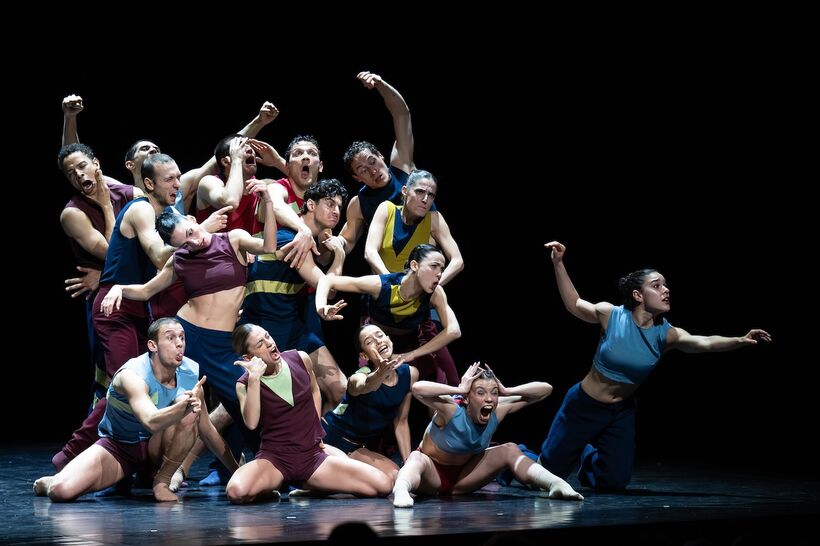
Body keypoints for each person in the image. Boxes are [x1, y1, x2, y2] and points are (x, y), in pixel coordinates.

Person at [537, 241, 772, 490]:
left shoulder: (666, 334)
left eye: (666, 285)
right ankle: (515, 454)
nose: (666, 290)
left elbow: (704, 342)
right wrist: (558, 263)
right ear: (637, 295)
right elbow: (574, 303)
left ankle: (588, 459)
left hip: (620, 413)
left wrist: (740, 340)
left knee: (614, 482)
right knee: (546, 473)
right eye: (657, 285)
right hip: (584, 405)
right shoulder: (611, 315)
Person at [33, 318, 238, 502]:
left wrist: (236, 471)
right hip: (120, 447)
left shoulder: (189, 371)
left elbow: (207, 431)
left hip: (156, 449)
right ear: (152, 345)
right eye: (170, 338)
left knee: (192, 409)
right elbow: (150, 421)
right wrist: (182, 407)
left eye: (182, 338)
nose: (179, 343)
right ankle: (52, 481)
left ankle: (162, 482)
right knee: (60, 491)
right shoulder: (133, 375)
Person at [225, 324, 393, 503]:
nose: (269, 343)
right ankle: (269, 490)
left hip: (311, 456)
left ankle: (312, 486)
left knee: (382, 485)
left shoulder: (300, 358)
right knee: (236, 492)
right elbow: (251, 422)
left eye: (267, 336)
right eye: (260, 344)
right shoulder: (244, 384)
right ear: (248, 357)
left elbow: (314, 390)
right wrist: (254, 378)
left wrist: (315, 430)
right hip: (275, 459)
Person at [391, 363, 583, 507]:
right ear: (467, 398)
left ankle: (555, 484)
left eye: (494, 393)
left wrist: (507, 390)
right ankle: (401, 489)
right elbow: (418, 389)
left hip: (464, 478)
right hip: (431, 477)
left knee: (510, 449)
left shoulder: (497, 410)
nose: (489, 399)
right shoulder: (450, 409)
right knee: (416, 457)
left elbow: (545, 389)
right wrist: (459, 389)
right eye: (481, 393)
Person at [240, 178, 348, 412]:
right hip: (267, 330)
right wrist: (339, 257)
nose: (336, 211)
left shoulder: (302, 239)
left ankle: (316, 434)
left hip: (293, 326)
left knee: (339, 389)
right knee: (247, 408)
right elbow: (328, 288)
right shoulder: (293, 239)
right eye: (330, 204)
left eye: (339, 206)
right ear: (310, 205)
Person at [316, 243, 461, 385]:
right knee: (369, 380)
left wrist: (411, 355)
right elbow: (327, 280)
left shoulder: (436, 293)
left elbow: (454, 331)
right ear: (414, 265)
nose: (439, 274)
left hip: (411, 337)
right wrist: (321, 306)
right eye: (434, 266)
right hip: (380, 340)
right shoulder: (382, 285)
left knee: (445, 379)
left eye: (442, 269)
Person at [338, 71, 433, 253]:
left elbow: (402, 114)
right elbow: (347, 241)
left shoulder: (402, 165)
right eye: (363, 170)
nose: (373, 171)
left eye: (372, 161)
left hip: (427, 261)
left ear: (381, 155)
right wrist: (334, 243)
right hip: (389, 267)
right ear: (357, 178)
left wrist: (380, 84)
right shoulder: (359, 204)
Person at [322, 324, 419, 481]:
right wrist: (380, 373)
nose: (378, 341)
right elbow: (366, 385)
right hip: (329, 438)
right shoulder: (358, 377)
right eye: (369, 341)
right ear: (364, 356)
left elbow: (401, 422)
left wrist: (408, 466)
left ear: (389, 339)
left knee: (397, 476)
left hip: (357, 447)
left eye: (380, 335)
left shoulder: (410, 374)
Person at [364, 169, 463, 286]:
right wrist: (392, 284)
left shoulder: (434, 219)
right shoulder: (386, 209)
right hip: (381, 288)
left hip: (413, 293)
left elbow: (458, 261)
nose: (425, 199)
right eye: (420, 192)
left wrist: (432, 286)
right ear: (405, 191)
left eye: (431, 195)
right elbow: (370, 252)